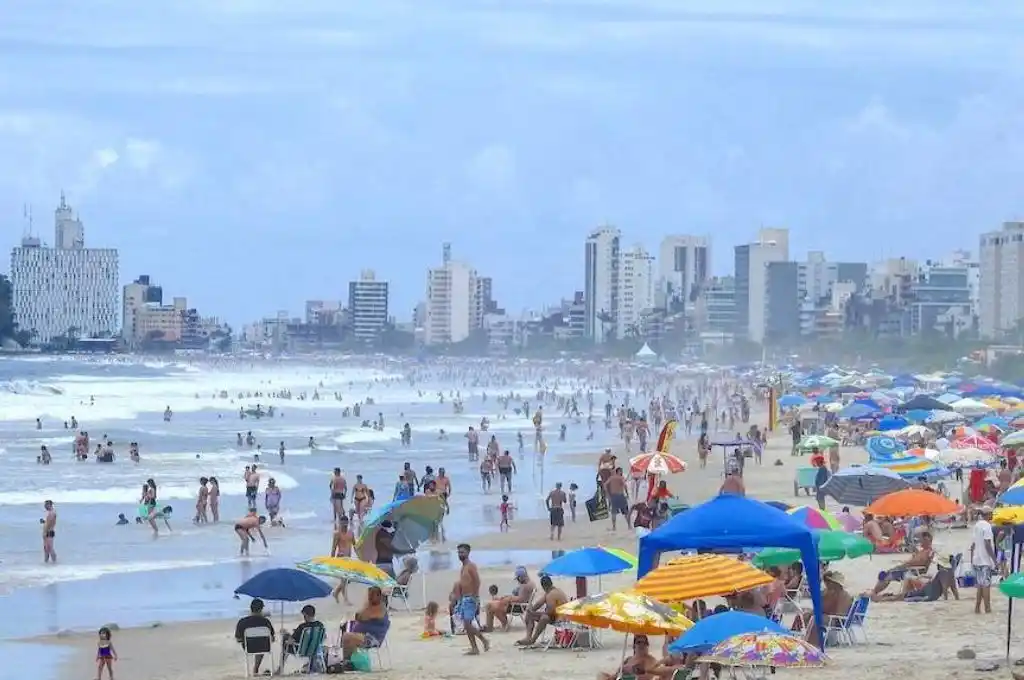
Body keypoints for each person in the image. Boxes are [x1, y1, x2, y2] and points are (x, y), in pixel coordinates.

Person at [455, 543, 490, 655]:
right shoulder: (463, 567)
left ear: (468, 553)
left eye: (462, 552)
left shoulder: (471, 566)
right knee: (466, 625)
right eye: (459, 552)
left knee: (467, 624)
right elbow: (462, 583)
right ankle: (474, 648)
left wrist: (475, 596)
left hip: (471, 598)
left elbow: (477, 581)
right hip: (465, 598)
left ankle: (484, 640)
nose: (460, 554)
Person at [516, 575, 568, 648]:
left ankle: (533, 639)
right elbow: (539, 603)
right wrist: (531, 610)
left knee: (544, 618)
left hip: (560, 619)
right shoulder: (551, 592)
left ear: (543, 587)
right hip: (557, 616)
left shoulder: (551, 594)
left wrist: (535, 613)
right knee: (531, 615)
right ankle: (528, 638)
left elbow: (550, 612)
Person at [339, 587, 390, 660]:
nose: (370, 597)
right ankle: (348, 660)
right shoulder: (370, 606)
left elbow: (362, 617)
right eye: (369, 595)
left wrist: (366, 605)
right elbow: (358, 616)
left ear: (379, 596)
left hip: (372, 638)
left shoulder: (381, 608)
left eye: (372, 595)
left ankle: (348, 661)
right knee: (346, 634)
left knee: (347, 637)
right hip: (363, 635)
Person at [483, 566, 536, 631]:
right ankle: (491, 626)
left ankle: (499, 625)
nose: (518, 581)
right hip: (520, 605)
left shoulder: (525, 586)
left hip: (518, 606)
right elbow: (521, 598)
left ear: (521, 577)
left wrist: (508, 598)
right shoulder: (529, 583)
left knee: (491, 606)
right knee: (492, 604)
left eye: (518, 578)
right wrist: (507, 598)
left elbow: (520, 599)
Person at [277, 604, 324, 673]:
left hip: (302, 650)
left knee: (285, 638)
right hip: (315, 649)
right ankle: (311, 664)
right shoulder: (320, 625)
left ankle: (280, 668)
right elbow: (323, 637)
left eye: (303, 615)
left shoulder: (302, 627)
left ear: (305, 614)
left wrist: (285, 634)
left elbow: (291, 641)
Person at [235, 598, 275, 676]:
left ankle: (254, 669)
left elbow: (238, 639)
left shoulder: (242, 622)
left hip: (249, 647)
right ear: (261, 609)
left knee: (255, 642)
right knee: (262, 643)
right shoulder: (265, 621)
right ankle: (256, 667)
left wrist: (244, 640)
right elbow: (272, 638)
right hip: (264, 647)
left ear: (251, 608)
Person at [971, 505, 996, 614]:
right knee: (986, 585)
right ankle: (987, 608)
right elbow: (987, 544)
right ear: (987, 514)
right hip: (984, 560)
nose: (992, 515)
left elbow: (973, 544)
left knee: (980, 585)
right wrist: (994, 560)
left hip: (976, 559)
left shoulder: (976, 525)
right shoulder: (987, 526)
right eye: (991, 513)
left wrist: (972, 558)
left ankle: (977, 608)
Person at [331, 517, 356, 604]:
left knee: (346, 580)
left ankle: (336, 593)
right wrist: (331, 563)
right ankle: (346, 599)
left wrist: (361, 558)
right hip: (340, 559)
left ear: (348, 522)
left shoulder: (351, 533)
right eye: (342, 523)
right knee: (344, 580)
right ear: (339, 523)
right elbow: (333, 549)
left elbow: (355, 546)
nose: (344, 524)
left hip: (348, 559)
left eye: (346, 522)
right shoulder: (337, 534)